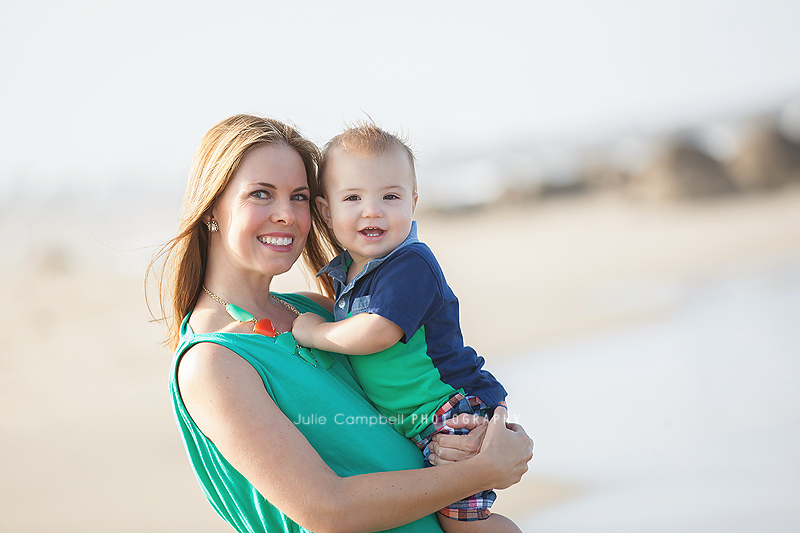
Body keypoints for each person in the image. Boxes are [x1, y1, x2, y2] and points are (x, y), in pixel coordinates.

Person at [149, 114, 533, 533]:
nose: (286, 215)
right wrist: (483, 471)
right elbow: (330, 511)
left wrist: (466, 445)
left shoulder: (318, 309)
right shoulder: (211, 360)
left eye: (298, 197)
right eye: (261, 194)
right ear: (211, 210)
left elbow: (412, 410)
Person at [291, 123, 522, 533]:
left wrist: (313, 334)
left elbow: (377, 332)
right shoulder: (348, 274)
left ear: (412, 204)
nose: (373, 210)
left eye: (390, 196)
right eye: (353, 198)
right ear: (326, 212)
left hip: (451, 410)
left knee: (460, 523)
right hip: (418, 422)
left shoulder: (409, 264)